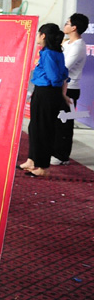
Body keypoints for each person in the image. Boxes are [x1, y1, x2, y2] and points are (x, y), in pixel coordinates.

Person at [18, 23, 68, 178]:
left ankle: (43, 166)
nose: (37, 37)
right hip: (44, 92)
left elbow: (54, 77)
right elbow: (64, 72)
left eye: (39, 34)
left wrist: (55, 81)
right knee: (35, 127)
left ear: (43, 36)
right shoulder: (53, 52)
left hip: (46, 93)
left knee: (43, 130)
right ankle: (33, 160)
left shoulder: (49, 54)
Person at [52, 13, 89, 165]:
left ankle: (62, 156)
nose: (65, 25)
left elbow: (64, 67)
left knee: (65, 123)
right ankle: (55, 151)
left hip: (70, 89)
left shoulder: (79, 46)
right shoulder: (67, 43)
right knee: (56, 122)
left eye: (67, 23)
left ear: (74, 27)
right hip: (59, 87)